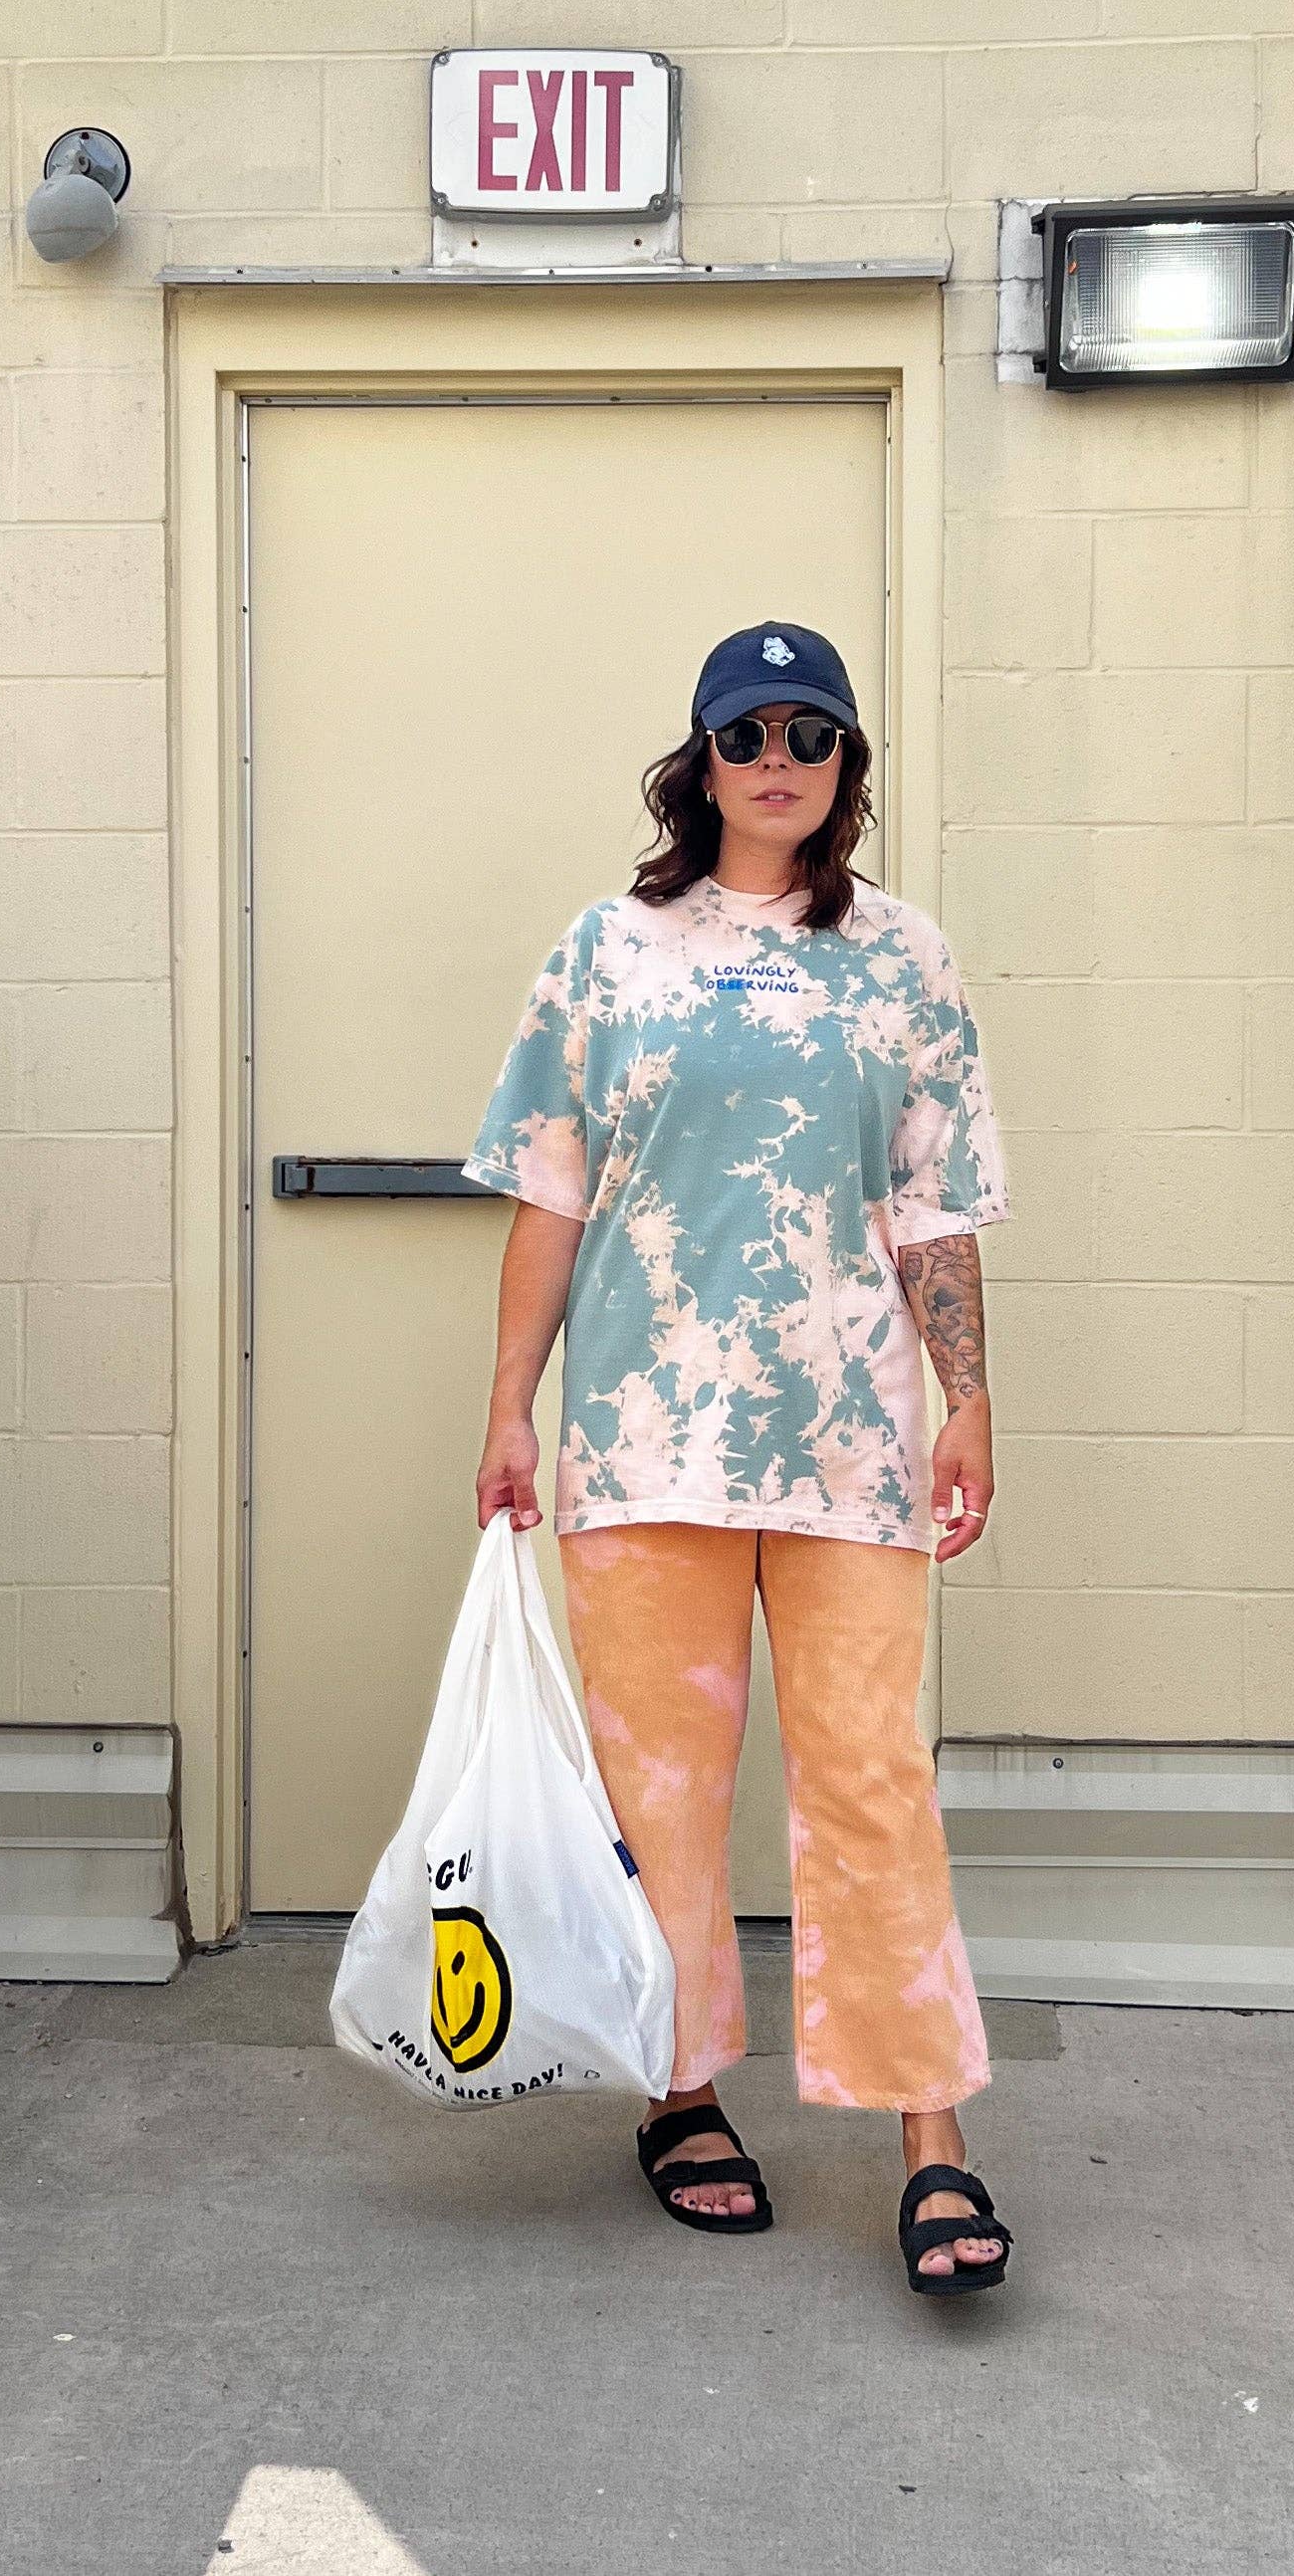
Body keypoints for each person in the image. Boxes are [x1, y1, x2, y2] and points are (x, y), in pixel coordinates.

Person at [463, 621, 1015, 2299]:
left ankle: (931, 2135)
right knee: (663, 1794)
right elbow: (550, 1194)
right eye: (749, 733)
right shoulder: (609, 950)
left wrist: (969, 1396)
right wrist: (510, 1406)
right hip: (643, 1442)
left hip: (852, 1445)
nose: (781, 761)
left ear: (848, 768)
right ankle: (681, 2094)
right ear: (699, 763)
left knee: (872, 1778)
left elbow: (932, 1201)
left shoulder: (904, 958)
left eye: (812, 734)